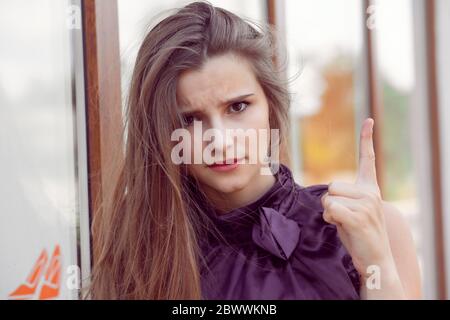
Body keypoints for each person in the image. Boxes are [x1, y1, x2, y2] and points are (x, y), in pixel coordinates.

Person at [88, 1, 422, 299]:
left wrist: (377, 266)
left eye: (237, 107)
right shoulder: (141, 259)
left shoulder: (373, 228)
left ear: (271, 108)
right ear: (161, 134)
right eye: (189, 120)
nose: (219, 141)